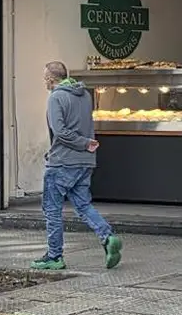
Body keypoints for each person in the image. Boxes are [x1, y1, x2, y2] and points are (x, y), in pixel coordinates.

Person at [31, 61, 122, 271]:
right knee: (83, 205)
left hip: (62, 162)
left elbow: (60, 131)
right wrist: (86, 145)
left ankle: (54, 256)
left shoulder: (56, 97)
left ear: (51, 79)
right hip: (85, 161)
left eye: (45, 79)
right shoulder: (85, 95)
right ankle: (107, 237)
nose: (45, 83)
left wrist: (83, 143)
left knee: (52, 209)